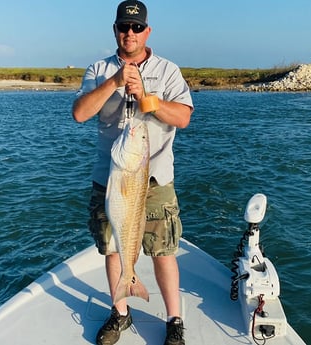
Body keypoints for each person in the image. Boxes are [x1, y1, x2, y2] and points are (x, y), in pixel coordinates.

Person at [72, 1, 193, 345]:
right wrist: (113, 82)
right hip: (112, 177)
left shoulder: (168, 70)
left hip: (154, 179)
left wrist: (150, 101)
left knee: (164, 251)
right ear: (115, 30)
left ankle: (174, 320)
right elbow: (80, 113)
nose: (130, 33)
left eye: (137, 27)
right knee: (113, 248)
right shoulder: (98, 69)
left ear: (147, 32)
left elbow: (183, 117)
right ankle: (120, 312)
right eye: (124, 26)